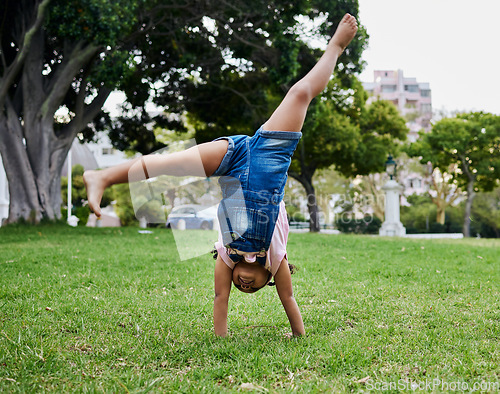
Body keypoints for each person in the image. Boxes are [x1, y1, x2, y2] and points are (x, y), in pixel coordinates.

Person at [84, 13, 358, 337]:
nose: (245, 285)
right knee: (300, 94)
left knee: (167, 165)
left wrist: (221, 339)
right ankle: (336, 47)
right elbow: (288, 297)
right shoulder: (276, 255)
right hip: (267, 156)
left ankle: (101, 176)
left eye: (243, 289)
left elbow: (219, 299)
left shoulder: (226, 255)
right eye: (254, 286)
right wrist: (298, 334)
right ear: (268, 277)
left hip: (230, 160)